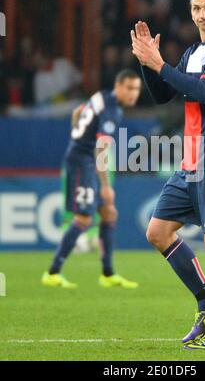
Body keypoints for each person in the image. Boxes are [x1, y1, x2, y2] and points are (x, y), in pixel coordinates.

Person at [131, 0, 205, 350]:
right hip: (192, 161)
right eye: (197, 9)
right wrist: (148, 64)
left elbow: (203, 91)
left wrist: (160, 63)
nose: (203, 15)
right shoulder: (195, 51)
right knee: (158, 232)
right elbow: (165, 93)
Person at [42, 69, 142, 289]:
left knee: (108, 213)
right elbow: (102, 147)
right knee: (84, 219)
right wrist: (106, 185)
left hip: (82, 157)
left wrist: (76, 135)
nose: (134, 94)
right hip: (82, 162)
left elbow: (77, 112)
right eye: (130, 88)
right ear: (119, 86)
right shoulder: (112, 109)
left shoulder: (101, 97)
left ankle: (107, 273)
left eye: (137, 89)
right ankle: (53, 272)